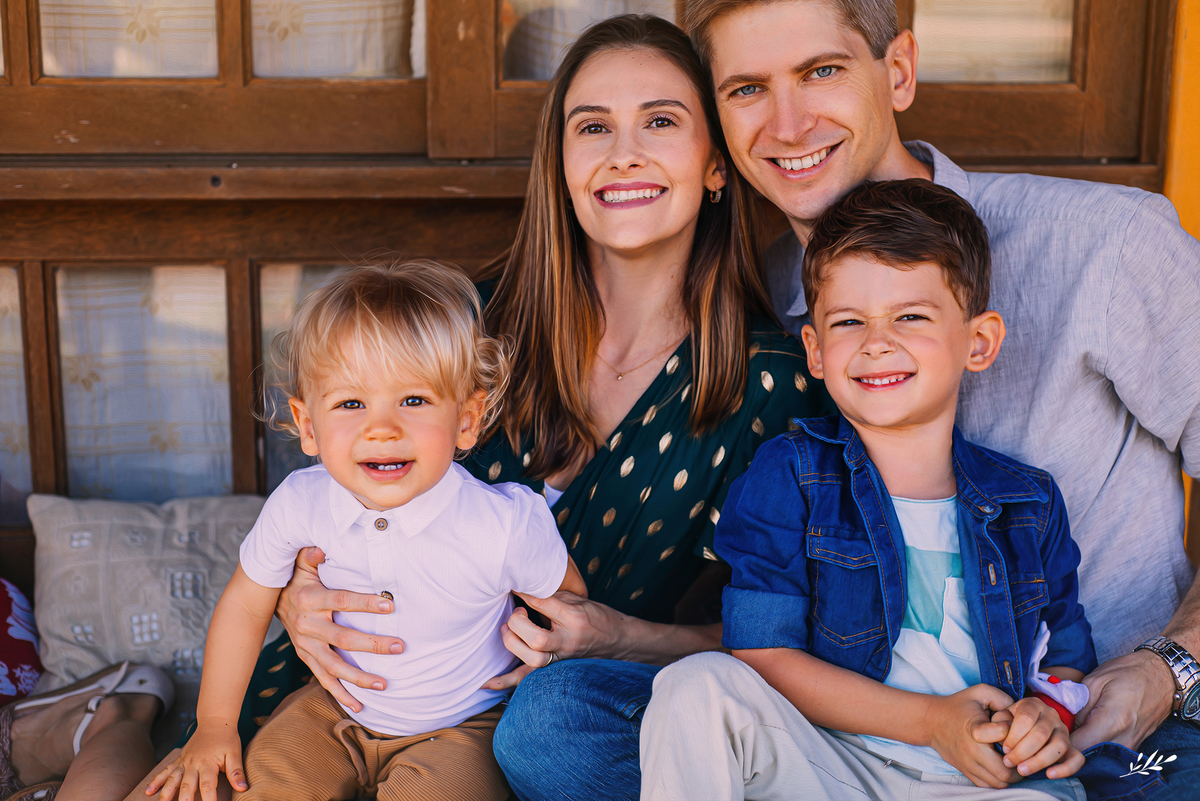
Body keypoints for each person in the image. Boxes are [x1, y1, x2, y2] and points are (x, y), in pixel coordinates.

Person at [114, 14, 828, 801]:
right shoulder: (468, 326)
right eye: (593, 126)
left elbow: (788, 639)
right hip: (347, 683)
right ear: (559, 163)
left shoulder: (769, 383)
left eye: (660, 120)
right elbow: (333, 485)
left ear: (716, 165)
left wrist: (624, 636)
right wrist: (292, 592)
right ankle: (113, 718)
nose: (624, 150)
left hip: (541, 730)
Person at [672, 0, 1200, 797]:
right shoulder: (764, 297)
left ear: (899, 71)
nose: (786, 123)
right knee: (562, 720)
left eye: (821, 71)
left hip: (1089, 728)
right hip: (841, 731)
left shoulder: (1108, 244)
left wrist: (1166, 670)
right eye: (747, 88)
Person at [641, 178, 1097, 800]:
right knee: (694, 686)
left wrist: (1046, 719)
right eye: (849, 321)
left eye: (910, 316)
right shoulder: (790, 476)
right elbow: (760, 654)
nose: (877, 342)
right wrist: (932, 723)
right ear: (816, 349)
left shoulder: (1028, 503)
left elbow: (1063, 660)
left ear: (979, 341)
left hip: (983, 783)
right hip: (830, 766)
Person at [144, 260, 586, 801]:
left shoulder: (504, 523)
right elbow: (245, 603)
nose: (382, 427)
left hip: (462, 724)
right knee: (265, 786)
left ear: (467, 420)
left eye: (414, 400)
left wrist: (538, 655)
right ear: (308, 426)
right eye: (351, 403)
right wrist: (215, 725)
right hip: (331, 711)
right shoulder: (302, 502)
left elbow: (568, 604)